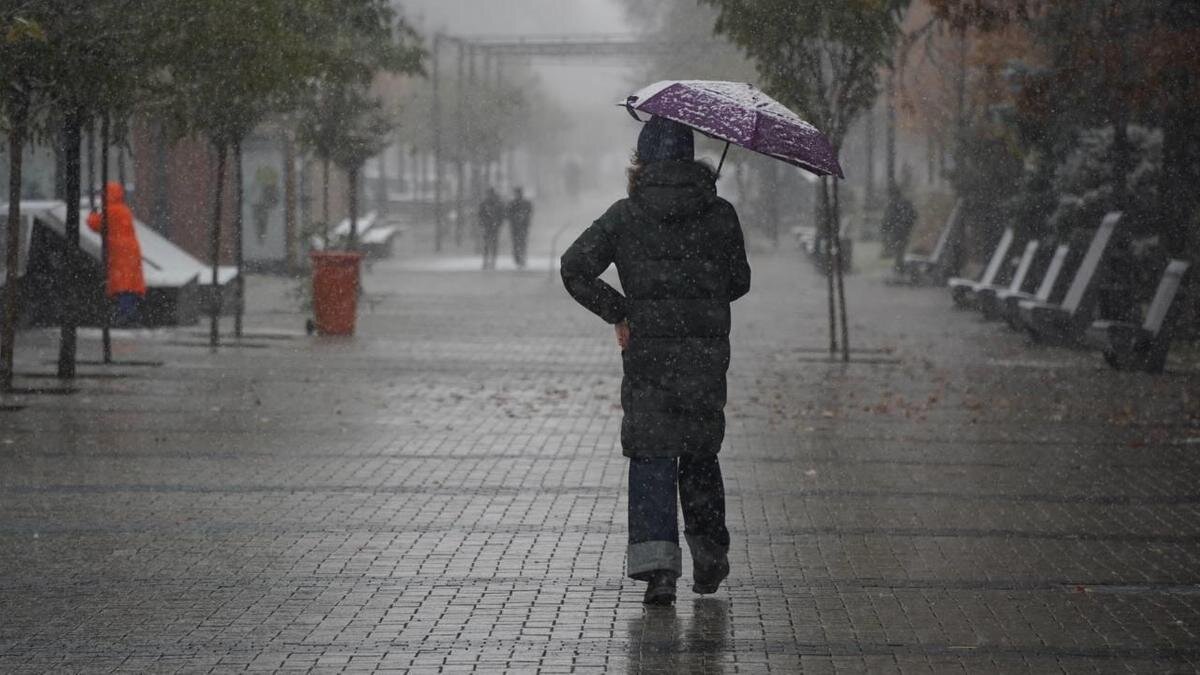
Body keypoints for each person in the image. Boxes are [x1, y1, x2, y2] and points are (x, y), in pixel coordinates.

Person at [560, 116, 751, 606]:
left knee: (652, 454)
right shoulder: (721, 213)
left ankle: (658, 570)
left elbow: (574, 265)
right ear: (691, 158)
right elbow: (738, 283)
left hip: (649, 358)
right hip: (705, 358)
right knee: (699, 455)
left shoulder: (624, 215)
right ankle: (710, 558)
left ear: (641, 162)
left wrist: (619, 310)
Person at [87, 182, 146, 326]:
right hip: (130, 250)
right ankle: (131, 313)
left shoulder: (110, 211)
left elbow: (96, 225)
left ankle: (127, 314)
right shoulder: (123, 209)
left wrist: (92, 214)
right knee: (129, 283)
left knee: (122, 284)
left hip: (119, 251)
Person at [478, 187, 504, 270]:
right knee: (488, 244)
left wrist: (498, 223)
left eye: (490, 194)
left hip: (492, 226)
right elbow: (480, 214)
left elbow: (501, 214)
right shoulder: (486, 203)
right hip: (489, 226)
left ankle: (491, 260)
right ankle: (487, 260)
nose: (489, 195)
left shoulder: (495, 203)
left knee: (492, 244)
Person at [508, 187, 533, 268]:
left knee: (521, 243)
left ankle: (521, 258)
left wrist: (522, 218)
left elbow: (529, 213)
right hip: (517, 227)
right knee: (518, 243)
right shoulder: (514, 203)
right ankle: (519, 258)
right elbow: (508, 214)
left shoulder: (517, 203)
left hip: (521, 227)